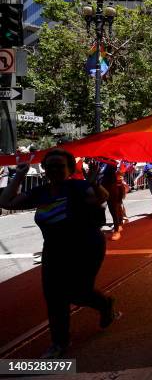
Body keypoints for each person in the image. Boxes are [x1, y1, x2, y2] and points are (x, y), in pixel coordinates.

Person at [0, 149, 120, 358]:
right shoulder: (41, 191)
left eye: (60, 165)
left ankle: (104, 303)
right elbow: (6, 202)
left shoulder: (79, 186)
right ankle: (59, 342)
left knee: (79, 292)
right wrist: (19, 174)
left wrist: (93, 183)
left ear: (70, 169)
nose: (55, 169)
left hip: (85, 247)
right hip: (54, 251)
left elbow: (102, 197)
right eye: (51, 166)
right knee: (55, 297)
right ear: (45, 169)